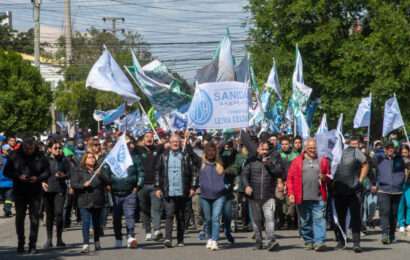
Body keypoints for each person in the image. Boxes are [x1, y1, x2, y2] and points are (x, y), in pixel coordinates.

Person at [4, 137, 50, 254]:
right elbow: (6, 171)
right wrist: (18, 176)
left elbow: (47, 171)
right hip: (20, 190)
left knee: (34, 218)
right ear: (23, 147)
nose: (29, 151)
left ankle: (32, 244)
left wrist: (38, 178)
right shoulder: (14, 155)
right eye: (27, 149)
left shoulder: (40, 156)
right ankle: (21, 242)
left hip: (35, 191)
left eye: (31, 148)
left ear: (34, 147)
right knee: (20, 217)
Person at [241, 135, 285, 251]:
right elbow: (244, 175)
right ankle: (258, 241)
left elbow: (279, 172)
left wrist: (269, 164)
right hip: (253, 195)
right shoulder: (251, 160)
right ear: (258, 149)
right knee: (256, 220)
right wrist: (246, 186)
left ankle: (271, 241)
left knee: (269, 218)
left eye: (266, 149)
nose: (264, 151)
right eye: (262, 149)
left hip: (268, 194)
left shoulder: (274, 158)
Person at [287, 138, 331, 251]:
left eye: (314, 148)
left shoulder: (323, 160)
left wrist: (325, 177)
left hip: (319, 196)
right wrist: (291, 193)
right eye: (310, 148)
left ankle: (319, 242)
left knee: (319, 219)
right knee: (305, 221)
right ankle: (308, 241)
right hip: (302, 197)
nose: (313, 150)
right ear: (305, 148)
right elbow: (290, 179)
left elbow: (329, 176)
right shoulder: (297, 161)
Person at [155, 134, 196, 248]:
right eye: (173, 141)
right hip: (168, 191)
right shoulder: (163, 156)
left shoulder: (185, 156)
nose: (175, 143)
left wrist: (193, 187)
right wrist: (158, 188)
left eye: (177, 141)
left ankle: (180, 239)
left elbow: (194, 172)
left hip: (182, 191)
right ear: (169, 142)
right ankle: (168, 238)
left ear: (180, 143)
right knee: (169, 215)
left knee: (181, 216)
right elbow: (158, 172)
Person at [103, 137, 144, 249]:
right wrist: (107, 184)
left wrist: (138, 186)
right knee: (116, 218)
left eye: (129, 143)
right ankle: (118, 238)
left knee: (129, 215)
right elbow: (105, 172)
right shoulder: (111, 158)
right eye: (126, 144)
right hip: (115, 192)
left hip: (130, 192)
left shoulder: (135, 158)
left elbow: (141, 172)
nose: (129, 145)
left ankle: (130, 236)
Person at [332, 136, 368, 252]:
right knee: (339, 217)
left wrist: (361, 180)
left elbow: (365, 164)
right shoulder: (333, 152)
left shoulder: (354, 151)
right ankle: (341, 241)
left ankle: (356, 243)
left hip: (353, 189)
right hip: (338, 189)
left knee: (355, 217)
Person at [71, 152, 111, 253]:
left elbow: (108, 181)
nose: (92, 159)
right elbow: (74, 184)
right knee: (86, 223)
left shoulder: (99, 170)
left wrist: (100, 175)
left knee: (97, 223)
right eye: (89, 157)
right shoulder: (79, 170)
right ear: (85, 160)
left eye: (93, 157)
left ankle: (97, 242)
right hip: (84, 200)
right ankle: (86, 244)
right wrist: (83, 185)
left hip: (98, 200)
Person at [372, 142, 406, 244]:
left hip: (397, 190)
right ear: (385, 150)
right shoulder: (379, 159)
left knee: (393, 214)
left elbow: (406, 170)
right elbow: (371, 168)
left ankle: (392, 234)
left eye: (392, 148)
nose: (390, 150)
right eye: (388, 148)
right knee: (385, 212)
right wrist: (374, 183)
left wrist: (401, 181)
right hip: (383, 189)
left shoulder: (400, 159)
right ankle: (385, 234)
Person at [135, 131, 164, 241]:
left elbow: (167, 144)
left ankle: (156, 230)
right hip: (142, 185)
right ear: (143, 139)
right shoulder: (138, 150)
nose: (149, 138)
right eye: (147, 136)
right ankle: (147, 230)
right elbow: (130, 146)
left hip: (155, 185)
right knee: (144, 209)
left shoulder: (158, 149)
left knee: (156, 208)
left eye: (151, 136)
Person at [42, 140, 71, 249]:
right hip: (47, 190)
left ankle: (59, 239)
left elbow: (69, 173)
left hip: (60, 190)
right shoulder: (44, 160)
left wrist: (63, 175)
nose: (58, 150)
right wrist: (42, 182)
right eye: (55, 148)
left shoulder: (64, 160)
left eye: (59, 148)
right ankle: (49, 239)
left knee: (59, 213)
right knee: (49, 215)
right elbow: (38, 172)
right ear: (49, 149)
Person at [197, 142, 226, 251]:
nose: (211, 153)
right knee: (208, 219)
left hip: (219, 196)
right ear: (205, 152)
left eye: (213, 151)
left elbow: (225, 147)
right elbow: (190, 153)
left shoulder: (220, 163)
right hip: (205, 196)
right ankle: (209, 237)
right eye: (208, 151)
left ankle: (215, 240)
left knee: (216, 218)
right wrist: (187, 137)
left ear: (216, 152)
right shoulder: (201, 163)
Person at [398, 145, 410, 233]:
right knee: (401, 205)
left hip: (408, 184)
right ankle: (401, 223)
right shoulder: (397, 161)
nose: (404, 154)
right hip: (399, 185)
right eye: (402, 153)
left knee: (409, 203)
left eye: (405, 152)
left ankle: (408, 222)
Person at [0, 144, 13, 217]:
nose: (9, 151)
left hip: (9, 182)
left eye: (9, 150)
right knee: (3, 198)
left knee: (8, 198)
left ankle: (7, 210)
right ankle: (6, 209)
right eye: (7, 150)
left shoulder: (11, 159)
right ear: (3, 150)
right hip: (1, 182)